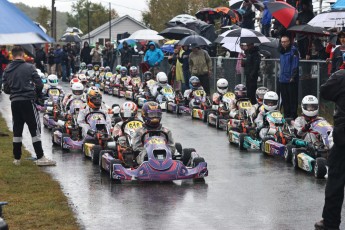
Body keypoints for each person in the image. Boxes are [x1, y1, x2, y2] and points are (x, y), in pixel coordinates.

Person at [2, 46, 56, 166]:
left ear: (13, 55)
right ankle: (40, 156)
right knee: (34, 128)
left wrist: (15, 92)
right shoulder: (29, 67)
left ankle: (17, 159)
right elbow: (40, 84)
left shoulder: (7, 69)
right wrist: (35, 94)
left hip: (15, 102)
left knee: (17, 129)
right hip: (27, 101)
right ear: (22, 55)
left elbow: (5, 89)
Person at [315, 69, 345, 230]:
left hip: (343, 136)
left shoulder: (341, 76)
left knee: (336, 179)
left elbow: (325, 91)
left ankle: (331, 222)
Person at [279, 35, 299, 119]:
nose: (283, 43)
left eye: (285, 42)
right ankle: (286, 115)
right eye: (282, 42)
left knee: (292, 99)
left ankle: (293, 115)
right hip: (283, 79)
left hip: (291, 79)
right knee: (285, 99)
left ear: (289, 42)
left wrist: (293, 76)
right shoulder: (281, 51)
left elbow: (295, 64)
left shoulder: (293, 51)